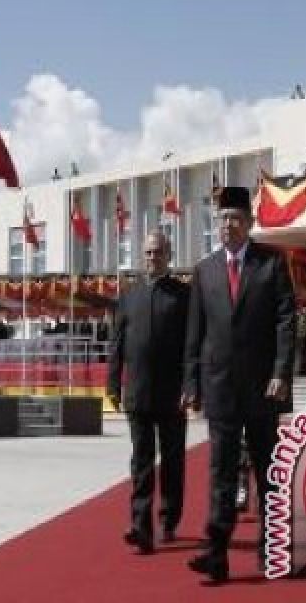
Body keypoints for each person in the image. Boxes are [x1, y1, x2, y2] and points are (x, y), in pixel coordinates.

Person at [182, 186, 296, 583]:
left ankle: (273, 550)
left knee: (268, 470)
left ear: (250, 223)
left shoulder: (271, 264)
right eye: (222, 218)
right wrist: (191, 382)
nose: (228, 225)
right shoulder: (205, 270)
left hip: (264, 389)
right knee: (221, 472)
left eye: (235, 218)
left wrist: (281, 372)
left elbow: (286, 320)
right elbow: (195, 333)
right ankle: (216, 553)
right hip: (221, 389)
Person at [106, 231, 190, 554]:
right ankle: (141, 527)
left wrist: (191, 386)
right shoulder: (129, 296)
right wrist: (113, 383)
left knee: (172, 461)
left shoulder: (184, 296)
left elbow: (191, 345)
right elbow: (116, 345)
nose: (151, 257)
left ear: (168, 255)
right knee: (141, 461)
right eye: (147, 252)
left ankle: (169, 519)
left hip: (173, 395)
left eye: (157, 252)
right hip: (138, 393)